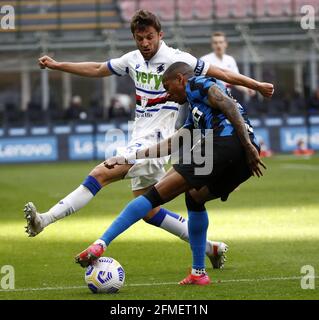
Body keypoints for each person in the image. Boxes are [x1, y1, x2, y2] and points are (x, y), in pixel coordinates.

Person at [24, 10, 273, 270]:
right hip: (139, 134)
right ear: (134, 37)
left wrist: (256, 85)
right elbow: (98, 68)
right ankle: (210, 247)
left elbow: (219, 73)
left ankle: (45, 220)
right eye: (139, 38)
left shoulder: (178, 59)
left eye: (150, 37)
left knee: (100, 174)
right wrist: (56, 65)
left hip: (159, 139)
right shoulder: (132, 60)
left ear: (160, 35)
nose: (145, 43)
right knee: (149, 210)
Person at [75, 62, 266, 285]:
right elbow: (171, 144)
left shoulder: (198, 83)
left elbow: (229, 105)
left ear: (181, 80)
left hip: (226, 143)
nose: (168, 94)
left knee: (152, 196)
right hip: (243, 157)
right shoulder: (196, 111)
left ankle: (101, 243)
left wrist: (248, 147)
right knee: (195, 197)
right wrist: (127, 158)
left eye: (168, 87)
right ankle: (198, 273)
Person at [201, 31, 255, 97]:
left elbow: (236, 80)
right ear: (212, 45)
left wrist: (246, 90)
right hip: (209, 98)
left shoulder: (230, 60)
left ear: (225, 44)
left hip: (227, 98)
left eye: (221, 42)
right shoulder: (204, 60)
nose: (218, 45)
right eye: (215, 43)